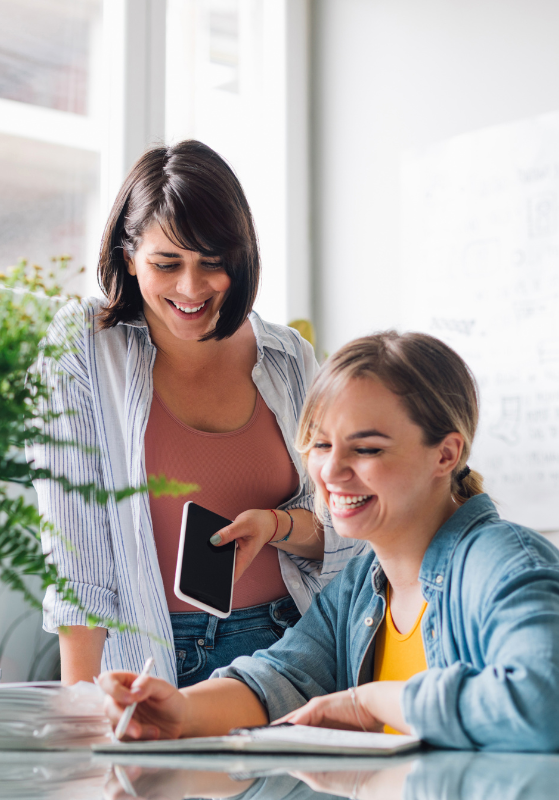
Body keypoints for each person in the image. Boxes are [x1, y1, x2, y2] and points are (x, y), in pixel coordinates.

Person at [96, 331, 559, 751]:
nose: (331, 471)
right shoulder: (365, 582)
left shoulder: (506, 564)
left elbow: (552, 707)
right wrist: (177, 711)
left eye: (368, 449)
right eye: (320, 443)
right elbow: (283, 676)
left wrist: (374, 700)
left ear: (446, 454)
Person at [30, 141, 364, 687]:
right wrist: (80, 711)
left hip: (294, 642)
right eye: (167, 264)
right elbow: (76, 552)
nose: (191, 288)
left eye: (213, 263)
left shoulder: (288, 357)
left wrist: (276, 526)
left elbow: (344, 528)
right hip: (152, 657)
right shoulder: (85, 347)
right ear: (127, 256)